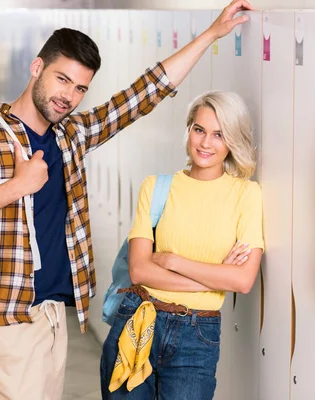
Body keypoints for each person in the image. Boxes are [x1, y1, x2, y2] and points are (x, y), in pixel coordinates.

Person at [0, 1, 253, 398]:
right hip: (1, 313)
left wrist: (212, 34)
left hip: (49, 313)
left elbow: (140, 96)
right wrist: (14, 187)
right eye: (62, 80)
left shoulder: (70, 136)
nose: (69, 96)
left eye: (80, 87)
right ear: (36, 67)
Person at [99, 91, 264, 399]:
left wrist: (172, 261)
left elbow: (242, 280)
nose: (205, 143)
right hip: (138, 320)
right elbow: (138, 270)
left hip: (197, 335)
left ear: (232, 140)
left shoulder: (246, 195)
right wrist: (213, 278)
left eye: (219, 134)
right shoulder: (156, 187)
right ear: (188, 129)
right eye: (199, 130)